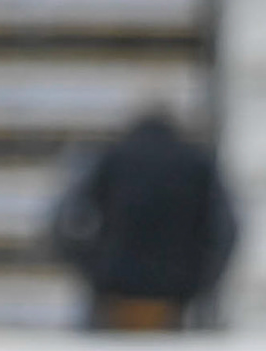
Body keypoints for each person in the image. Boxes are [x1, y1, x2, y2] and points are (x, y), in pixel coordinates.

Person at [52, 110, 239, 332]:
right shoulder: (197, 163)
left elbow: (64, 221)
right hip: (175, 294)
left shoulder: (112, 158)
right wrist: (201, 281)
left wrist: (92, 269)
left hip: (114, 289)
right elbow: (226, 230)